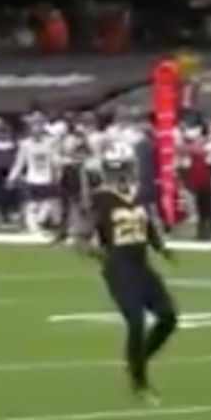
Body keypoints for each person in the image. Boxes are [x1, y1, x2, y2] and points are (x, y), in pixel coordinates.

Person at [80, 143, 179, 402]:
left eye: (124, 169)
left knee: (168, 317)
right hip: (120, 268)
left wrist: (161, 248)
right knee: (136, 321)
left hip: (141, 265)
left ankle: (137, 361)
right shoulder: (101, 199)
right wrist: (100, 254)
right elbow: (82, 236)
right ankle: (139, 380)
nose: (121, 175)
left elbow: (147, 226)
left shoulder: (139, 195)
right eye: (117, 170)